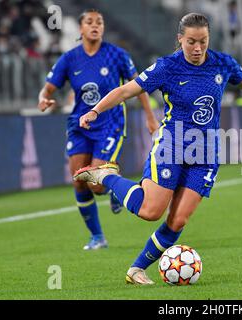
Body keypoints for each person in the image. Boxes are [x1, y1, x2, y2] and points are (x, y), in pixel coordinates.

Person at [73, 13, 242, 284]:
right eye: (191, 41)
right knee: (150, 211)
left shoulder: (222, 63)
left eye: (203, 41)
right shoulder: (167, 67)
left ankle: (136, 270)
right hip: (172, 145)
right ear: (180, 39)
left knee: (178, 220)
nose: (197, 48)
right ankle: (106, 176)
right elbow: (126, 91)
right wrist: (96, 110)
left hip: (206, 154)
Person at [37, 9, 159, 250]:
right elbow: (48, 89)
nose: (95, 26)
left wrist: (149, 118)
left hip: (110, 123)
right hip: (80, 125)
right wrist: (43, 99)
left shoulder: (117, 55)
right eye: (90, 22)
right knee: (79, 181)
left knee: (96, 182)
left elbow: (139, 86)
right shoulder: (70, 59)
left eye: (100, 22)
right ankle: (97, 237)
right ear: (80, 29)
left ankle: (114, 188)